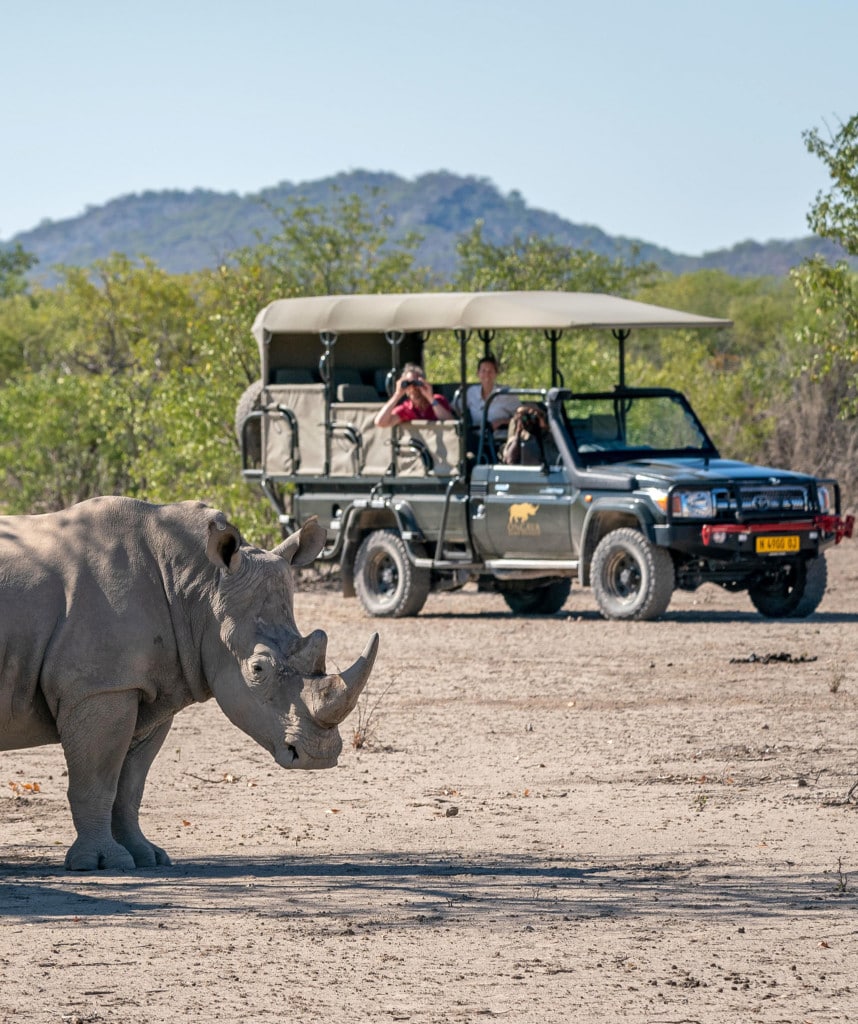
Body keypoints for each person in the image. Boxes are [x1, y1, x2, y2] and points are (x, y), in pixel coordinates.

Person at [373, 364, 455, 427]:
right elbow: (380, 422)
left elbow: (450, 422)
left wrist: (430, 398)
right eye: (408, 383)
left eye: (416, 383)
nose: (413, 388)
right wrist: (397, 394)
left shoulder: (437, 400)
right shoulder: (407, 409)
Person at [463, 355, 519, 431]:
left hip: (501, 439)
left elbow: (520, 417)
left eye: (490, 371)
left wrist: (503, 422)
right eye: (483, 371)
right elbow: (456, 409)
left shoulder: (505, 393)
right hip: (476, 439)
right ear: (478, 373)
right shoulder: (471, 392)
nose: (487, 375)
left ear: (496, 374)